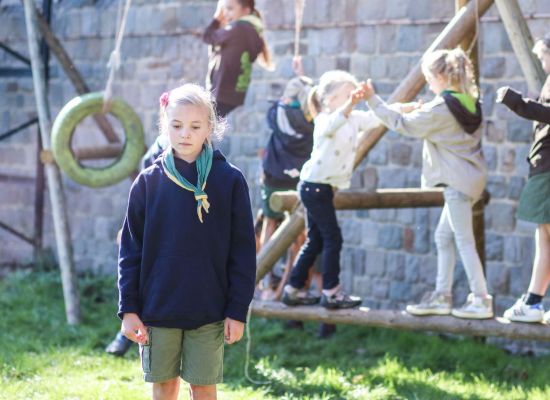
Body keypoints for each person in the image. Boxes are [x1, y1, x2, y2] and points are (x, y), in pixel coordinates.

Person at [117, 83, 256, 399]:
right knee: (164, 385)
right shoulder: (147, 182)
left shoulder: (230, 181)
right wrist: (129, 309)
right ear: (164, 125)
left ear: (211, 126)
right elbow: (130, 251)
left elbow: (244, 252)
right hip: (157, 309)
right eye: (176, 125)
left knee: (204, 387)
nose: (185, 133)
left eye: (195, 126)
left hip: (210, 310)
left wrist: (237, 309)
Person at [363, 48, 493, 319]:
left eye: (429, 79)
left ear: (440, 77)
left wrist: (373, 100)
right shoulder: (470, 101)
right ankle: (442, 295)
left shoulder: (441, 108)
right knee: (443, 236)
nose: (428, 84)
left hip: (456, 181)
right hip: (470, 179)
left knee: (463, 240)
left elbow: (402, 124)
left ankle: (481, 299)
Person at [282, 70, 379, 310]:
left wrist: (410, 108)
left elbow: (379, 118)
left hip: (320, 189)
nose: (352, 99)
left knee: (316, 239)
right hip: (314, 188)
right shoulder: (325, 119)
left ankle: (293, 289)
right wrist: (351, 103)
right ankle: (332, 291)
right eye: (346, 95)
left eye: (352, 94)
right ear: (329, 100)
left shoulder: (353, 118)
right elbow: (335, 121)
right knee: (332, 238)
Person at [498, 34, 550, 323]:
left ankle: (533, 302)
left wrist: (518, 103)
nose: (542, 63)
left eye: (544, 56)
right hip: (543, 165)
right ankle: (533, 301)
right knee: (543, 236)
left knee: (547, 235)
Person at [105, 135, 171, 357]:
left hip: (176, 236)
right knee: (135, 276)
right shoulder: (154, 153)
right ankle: (125, 334)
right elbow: (140, 198)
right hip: (150, 229)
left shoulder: (199, 154)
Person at [202, 0, 273, 117]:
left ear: (246, 11)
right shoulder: (252, 30)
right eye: (224, 9)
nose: (225, 13)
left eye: (230, 9)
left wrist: (216, 19)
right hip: (234, 92)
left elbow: (207, 36)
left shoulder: (238, 29)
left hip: (222, 92)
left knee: (204, 126)